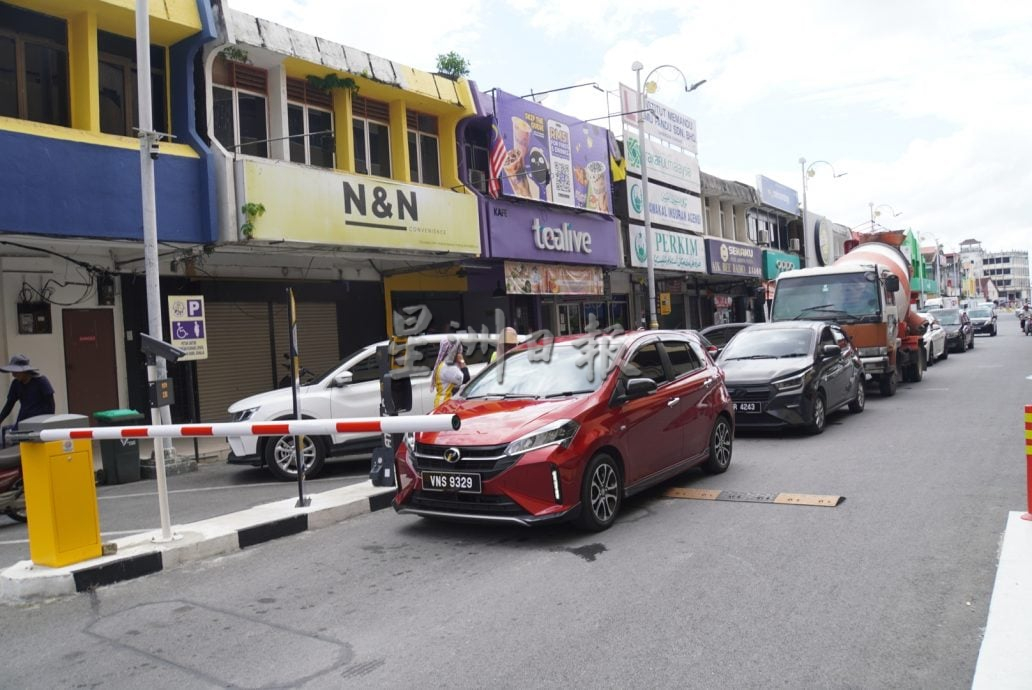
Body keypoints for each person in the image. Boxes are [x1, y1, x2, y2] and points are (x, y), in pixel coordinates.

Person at [0, 354, 56, 446]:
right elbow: (9, 405)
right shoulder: (16, 384)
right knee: (14, 442)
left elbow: (51, 405)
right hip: (23, 421)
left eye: (16, 372)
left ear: (25, 371)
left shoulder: (41, 381)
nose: (13, 375)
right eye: (12, 372)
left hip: (39, 422)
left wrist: (47, 424)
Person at [431, 339, 468, 407]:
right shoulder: (448, 366)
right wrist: (462, 360)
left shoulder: (445, 364)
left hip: (445, 402)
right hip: (445, 404)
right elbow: (466, 378)